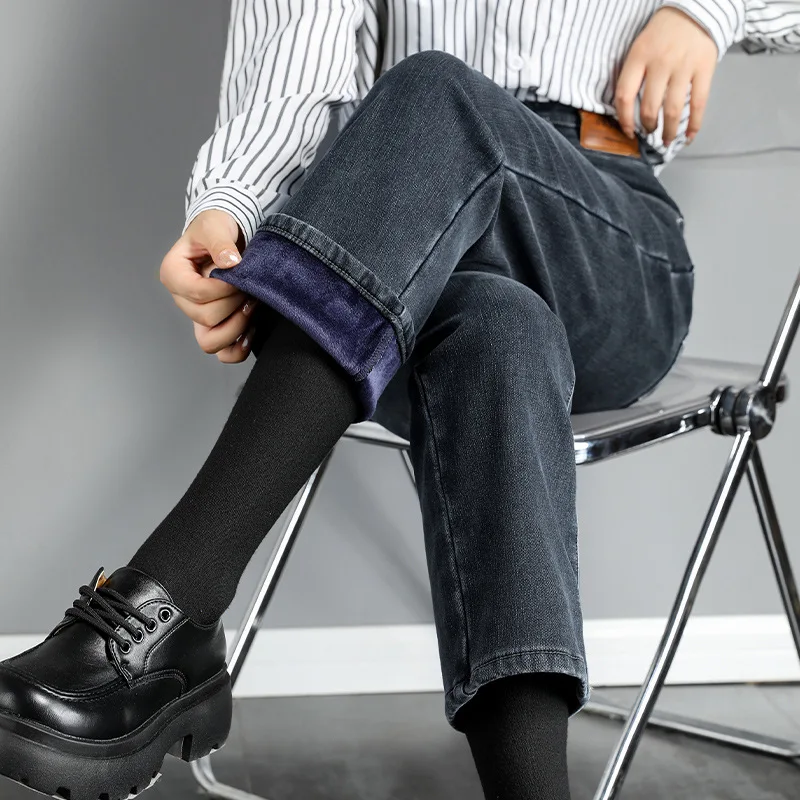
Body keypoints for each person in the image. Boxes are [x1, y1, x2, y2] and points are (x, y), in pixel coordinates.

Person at [1, 3, 798, 800]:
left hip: (604, 236)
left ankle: (175, 600)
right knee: (496, 326)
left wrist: (707, 11)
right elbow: (298, 42)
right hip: (409, 232)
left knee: (435, 95)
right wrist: (231, 206)